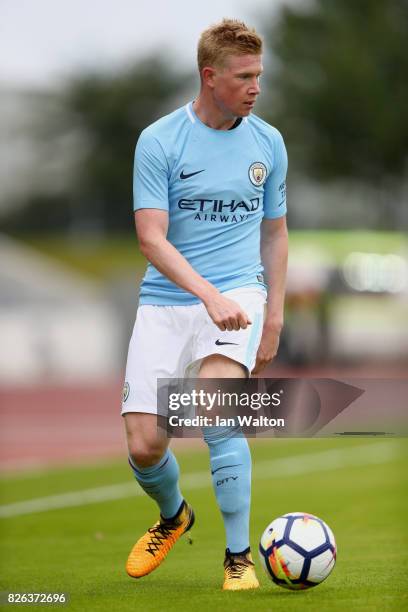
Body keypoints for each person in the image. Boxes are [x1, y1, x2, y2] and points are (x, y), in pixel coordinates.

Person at [122, 18, 288, 591]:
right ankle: (174, 516)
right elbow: (151, 238)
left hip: (241, 294)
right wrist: (205, 295)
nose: (255, 87)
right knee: (145, 446)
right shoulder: (160, 140)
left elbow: (275, 234)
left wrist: (275, 315)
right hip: (169, 301)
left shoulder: (268, 142)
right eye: (244, 76)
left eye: (259, 75)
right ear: (209, 76)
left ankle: (238, 558)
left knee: (215, 409)